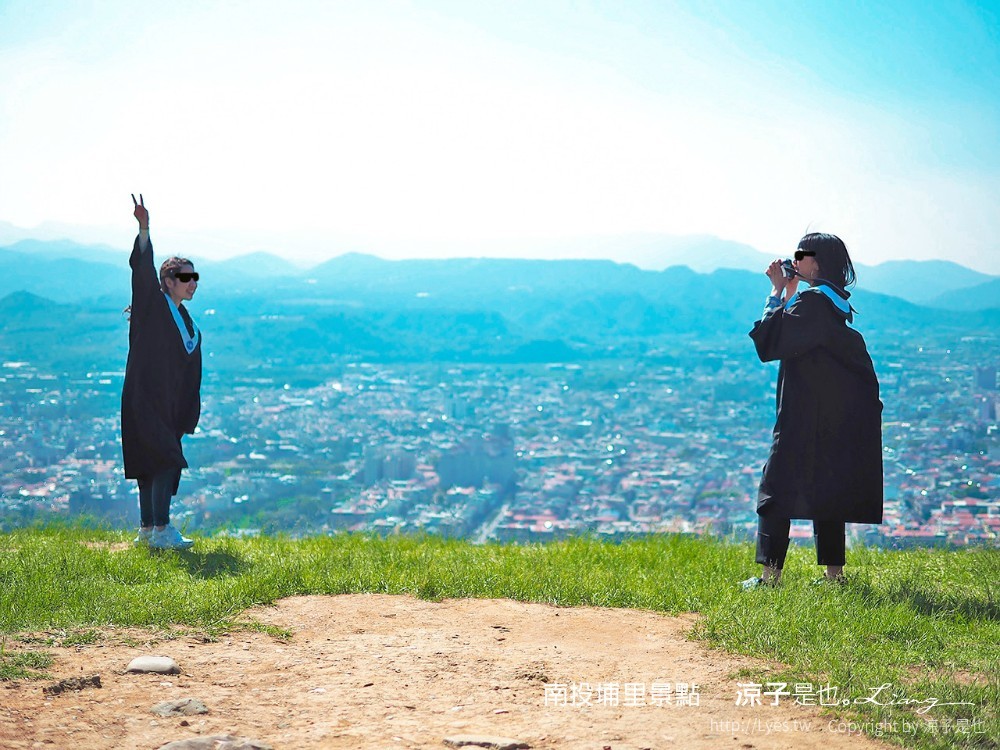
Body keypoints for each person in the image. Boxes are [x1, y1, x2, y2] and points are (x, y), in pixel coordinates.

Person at [743, 232, 883, 588]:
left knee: (774, 488)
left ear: (816, 261)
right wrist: (792, 294)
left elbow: (770, 342)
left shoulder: (814, 304)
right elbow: (797, 334)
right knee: (828, 489)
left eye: (801, 253)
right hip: (832, 417)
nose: (795, 257)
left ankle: (769, 577)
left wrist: (776, 292)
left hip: (800, 416)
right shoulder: (834, 305)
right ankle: (834, 576)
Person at [121, 194, 202, 550]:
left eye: (195, 277)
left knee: (153, 463)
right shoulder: (152, 307)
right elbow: (141, 270)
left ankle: (148, 531)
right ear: (167, 281)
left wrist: (187, 411)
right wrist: (144, 228)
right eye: (185, 277)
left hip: (168, 406)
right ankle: (163, 529)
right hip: (144, 398)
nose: (192, 282)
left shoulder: (187, 321)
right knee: (166, 459)